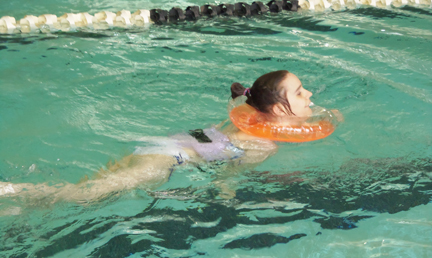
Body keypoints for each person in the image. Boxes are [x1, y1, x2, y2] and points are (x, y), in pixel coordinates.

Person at [0, 70, 340, 203]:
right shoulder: (263, 144)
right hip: (165, 161)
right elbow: (227, 175)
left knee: (94, 183)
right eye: (299, 93)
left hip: (162, 145)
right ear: (278, 110)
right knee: (84, 195)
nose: (308, 94)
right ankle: (12, 191)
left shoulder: (239, 122)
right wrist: (227, 194)